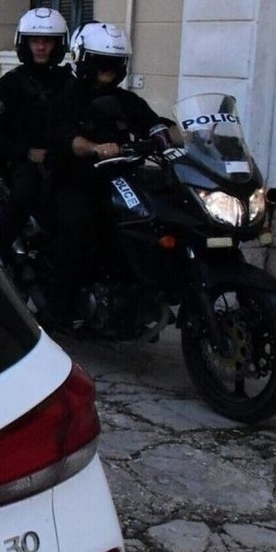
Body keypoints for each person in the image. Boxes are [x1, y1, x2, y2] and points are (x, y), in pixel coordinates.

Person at [45, 22, 176, 325]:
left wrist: (182, 135)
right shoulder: (66, 98)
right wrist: (95, 147)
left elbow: (154, 123)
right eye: (101, 61)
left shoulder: (126, 100)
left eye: (114, 63)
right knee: (79, 228)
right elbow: (67, 139)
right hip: (74, 178)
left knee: (150, 223)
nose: (108, 69)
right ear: (84, 59)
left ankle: (143, 291)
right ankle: (59, 310)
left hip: (120, 178)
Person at [0, 7, 76, 258]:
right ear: (25, 43)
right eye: (35, 41)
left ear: (58, 44)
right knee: (25, 194)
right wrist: (26, 152)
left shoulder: (69, 83)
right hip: (24, 163)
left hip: (64, 160)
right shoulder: (9, 85)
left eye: (47, 41)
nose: (41, 47)